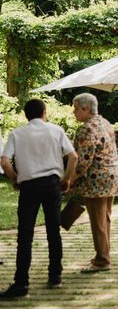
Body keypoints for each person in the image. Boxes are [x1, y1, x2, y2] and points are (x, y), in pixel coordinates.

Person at [0, 99, 77, 298]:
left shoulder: (17, 134)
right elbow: (73, 156)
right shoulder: (56, 130)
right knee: (54, 231)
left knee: (25, 234)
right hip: (52, 184)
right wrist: (67, 179)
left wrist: (15, 178)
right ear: (44, 112)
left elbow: (5, 161)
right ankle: (55, 277)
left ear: (26, 115)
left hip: (29, 186)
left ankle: (21, 284)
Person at [69, 93, 118, 273]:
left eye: (76, 108)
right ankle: (103, 255)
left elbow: (83, 161)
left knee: (97, 221)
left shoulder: (87, 128)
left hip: (97, 180)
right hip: (113, 176)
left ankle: (102, 260)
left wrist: (68, 180)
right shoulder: (105, 123)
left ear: (86, 109)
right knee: (105, 219)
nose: (73, 112)